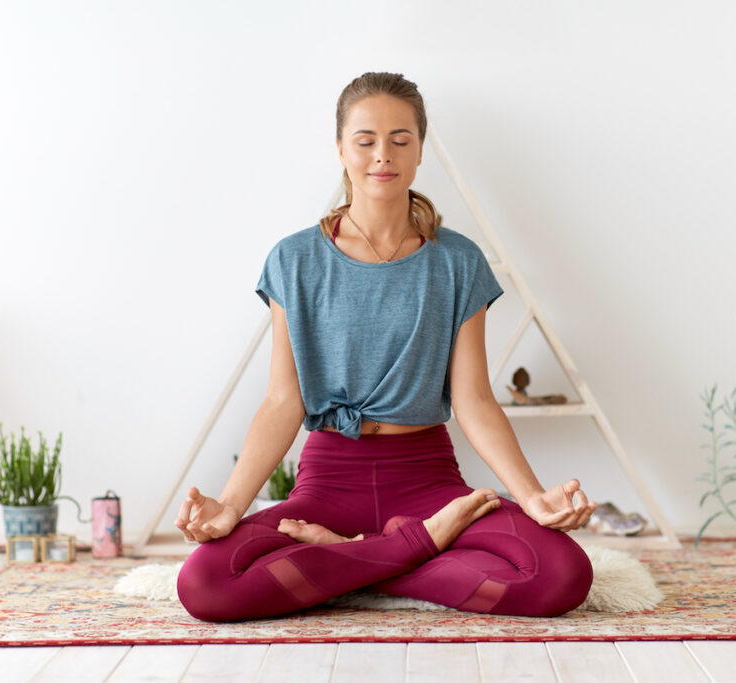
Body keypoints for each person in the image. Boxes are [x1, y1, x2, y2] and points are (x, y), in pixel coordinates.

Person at [174, 72, 597, 622]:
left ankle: (348, 557)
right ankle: (416, 547)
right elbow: (283, 402)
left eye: (400, 139)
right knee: (205, 584)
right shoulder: (294, 260)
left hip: (427, 479)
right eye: (366, 140)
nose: (383, 155)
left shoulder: (457, 261)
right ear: (341, 149)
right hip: (328, 482)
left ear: (420, 149)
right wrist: (229, 508)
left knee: (562, 575)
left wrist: (535, 496)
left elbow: (473, 400)